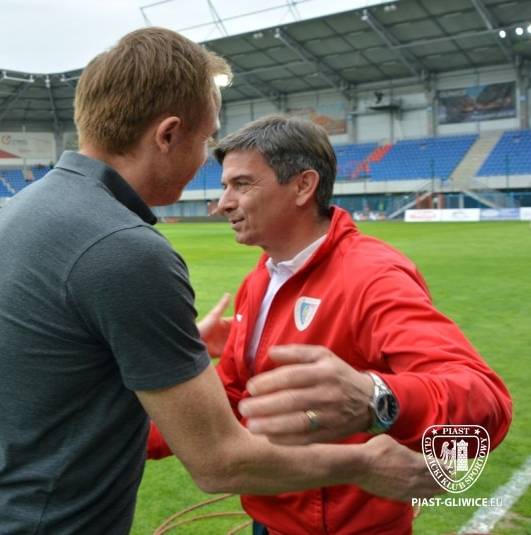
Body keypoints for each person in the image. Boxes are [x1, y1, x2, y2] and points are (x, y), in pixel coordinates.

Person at [0, 28, 443, 534]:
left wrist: (164, 349)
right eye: (207, 139)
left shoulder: (23, 208)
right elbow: (219, 462)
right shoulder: (123, 247)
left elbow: (58, 368)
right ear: (168, 135)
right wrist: (364, 464)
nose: (212, 177)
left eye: (241, 182)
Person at [148, 114, 512, 534]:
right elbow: (233, 393)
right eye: (225, 186)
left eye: (242, 185)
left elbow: (487, 402)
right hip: (269, 518)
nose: (223, 203)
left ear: (303, 186)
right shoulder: (261, 278)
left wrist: (377, 399)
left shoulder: (372, 275)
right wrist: (127, 436)